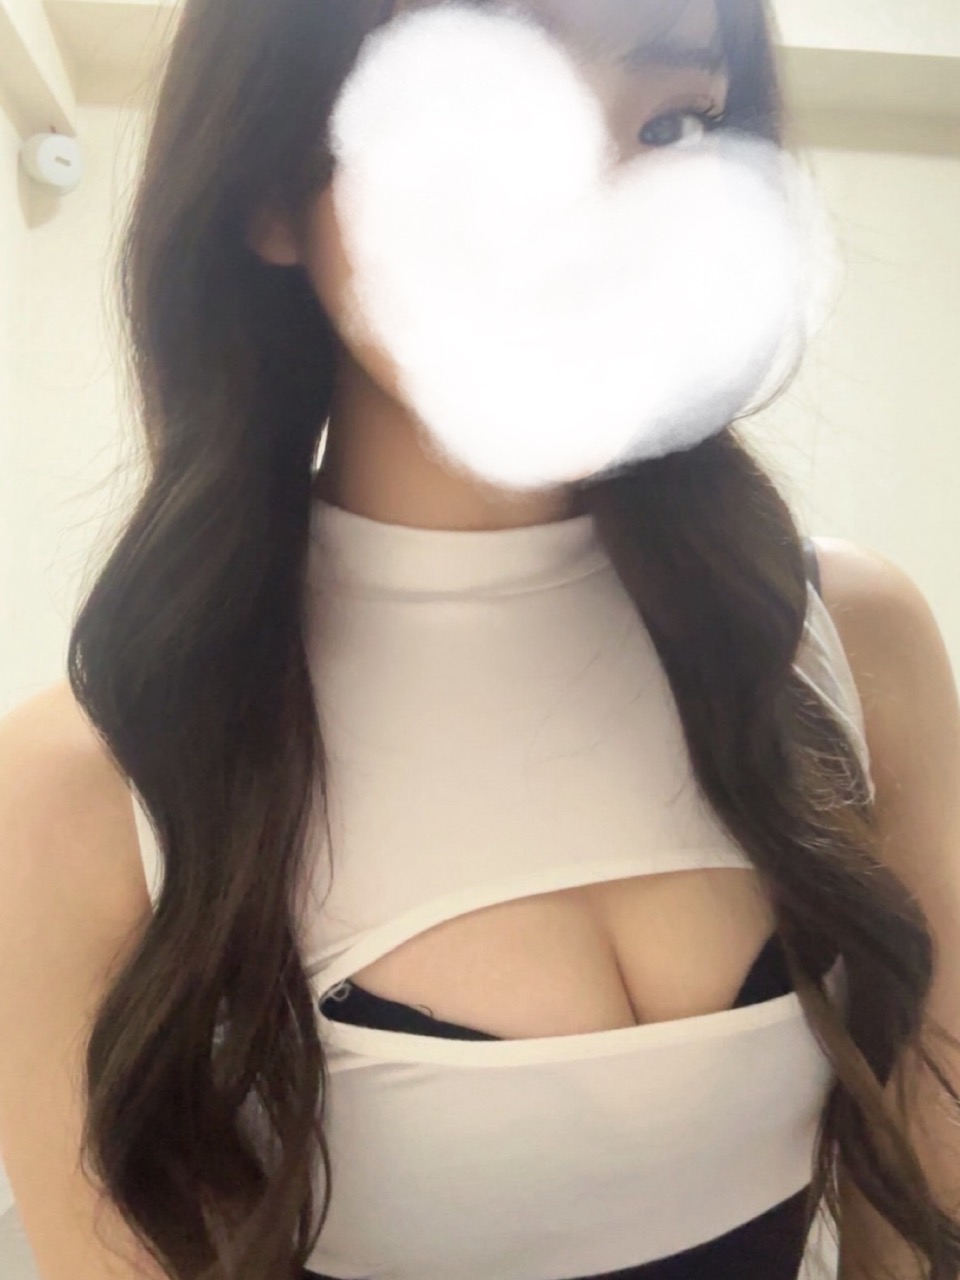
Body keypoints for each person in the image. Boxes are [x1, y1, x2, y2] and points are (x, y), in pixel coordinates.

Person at [1, 1, 960, 1279]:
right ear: (272, 191)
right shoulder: (88, 789)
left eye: (673, 127)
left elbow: (920, 1209)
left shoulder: (848, 643)